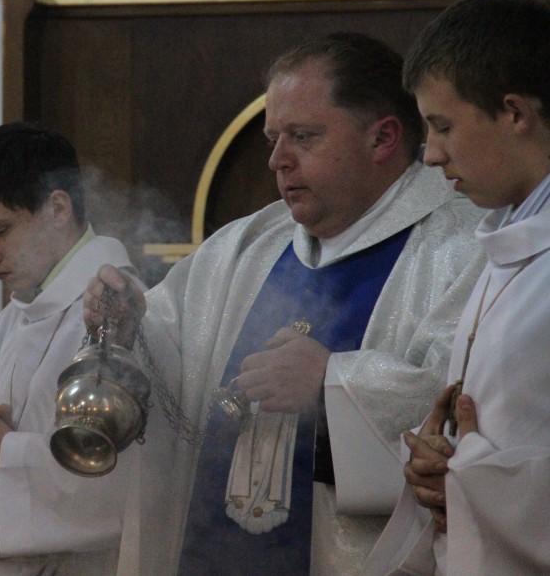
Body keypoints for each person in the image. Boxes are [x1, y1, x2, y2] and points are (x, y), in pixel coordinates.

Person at [85, 32, 486, 575]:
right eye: (274, 139)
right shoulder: (244, 246)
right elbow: (176, 365)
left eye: (303, 136)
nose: (277, 160)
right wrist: (128, 327)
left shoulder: (466, 248)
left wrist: (333, 383)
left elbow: (469, 403)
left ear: (383, 138)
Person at [364, 0, 550, 575]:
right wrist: (435, 460)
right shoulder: (510, 241)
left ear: (514, 113)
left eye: (442, 126)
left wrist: (470, 487)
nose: (432, 155)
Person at [0, 123, 139, 574]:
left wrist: (3, 454)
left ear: (57, 208)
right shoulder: (13, 319)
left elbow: (130, 483)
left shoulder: (120, 312)